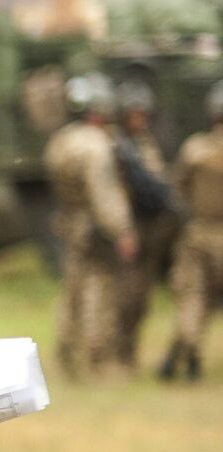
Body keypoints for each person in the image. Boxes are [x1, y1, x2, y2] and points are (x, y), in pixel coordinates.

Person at [45, 72, 138, 379]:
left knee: (71, 288)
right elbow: (104, 194)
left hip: (68, 221)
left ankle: (65, 353)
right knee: (99, 290)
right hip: (94, 226)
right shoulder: (97, 146)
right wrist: (122, 231)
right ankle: (96, 359)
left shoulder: (61, 140)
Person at [160, 82, 223, 381]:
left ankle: (186, 352)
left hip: (198, 233)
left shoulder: (196, 148)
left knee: (193, 296)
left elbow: (176, 189)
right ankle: (185, 357)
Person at [114, 80, 178, 369]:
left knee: (141, 297)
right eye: (133, 115)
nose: (139, 120)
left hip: (152, 227)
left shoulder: (145, 145)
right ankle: (117, 353)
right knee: (124, 296)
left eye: (143, 114)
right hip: (130, 228)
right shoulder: (116, 147)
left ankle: (129, 352)